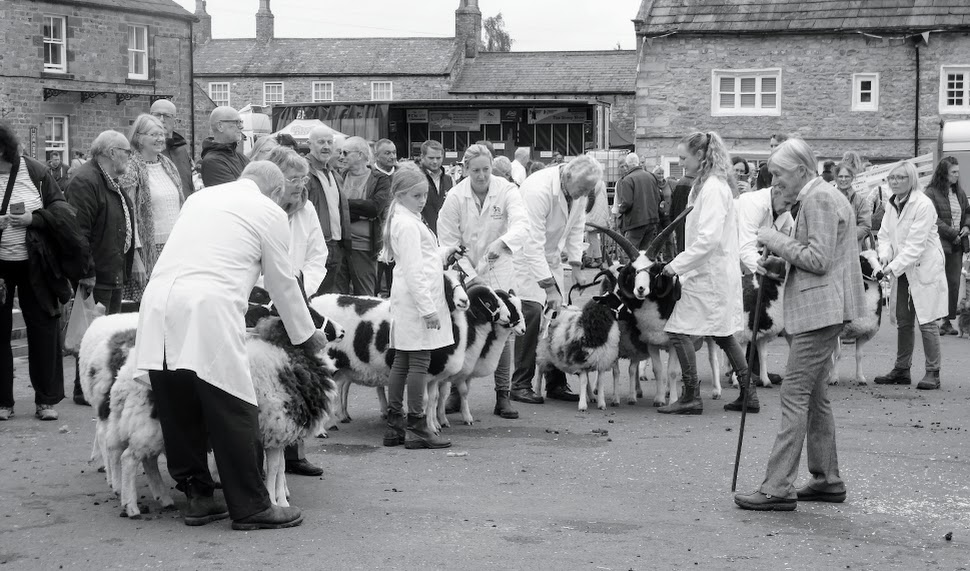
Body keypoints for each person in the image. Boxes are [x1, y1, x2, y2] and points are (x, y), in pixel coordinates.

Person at [135, 161, 327, 530]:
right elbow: (282, 281)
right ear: (275, 191)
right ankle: (251, 506)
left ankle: (199, 498)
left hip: (159, 301)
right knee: (234, 406)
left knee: (177, 403)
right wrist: (305, 334)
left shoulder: (200, 198)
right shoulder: (269, 211)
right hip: (210, 305)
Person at [734, 137, 866, 511]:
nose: (774, 181)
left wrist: (774, 240)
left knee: (793, 394)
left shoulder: (819, 198)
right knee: (816, 396)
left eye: (779, 174)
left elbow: (819, 260)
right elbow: (820, 257)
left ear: (801, 170)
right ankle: (827, 480)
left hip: (819, 311)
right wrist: (779, 265)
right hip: (824, 307)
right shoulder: (822, 195)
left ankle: (777, 487)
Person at [657, 131, 748, 416]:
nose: (680, 163)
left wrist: (675, 266)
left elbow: (707, 239)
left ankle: (691, 395)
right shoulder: (709, 185)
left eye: (683, 157)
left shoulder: (712, 188)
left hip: (709, 273)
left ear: (699, 155)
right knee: (722, 333)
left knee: (678, 329)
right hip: (712, 272)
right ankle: (749, 395)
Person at [437, 144, 530, 419]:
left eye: (486, 170)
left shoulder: (507, 190)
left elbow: (522, 224)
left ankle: (503, 395)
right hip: (465, 269)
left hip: (499, 265)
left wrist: (503, 243)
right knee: (464, 330)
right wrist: (471, 275)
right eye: (475, 170)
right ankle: (456, 393)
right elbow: (447, 241)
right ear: (465, 169)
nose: (481, 176)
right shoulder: (455, 197)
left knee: (503, 329)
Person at [0, 123, 78, 422]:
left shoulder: (36, 173)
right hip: (1, 264)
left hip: (36, 261)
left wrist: (34, 219)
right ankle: (2, 401)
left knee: (43, 328)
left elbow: (62, 212)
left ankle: (46, 400)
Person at [510, 155, 603, 404]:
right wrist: (550, 288)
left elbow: (577, 226)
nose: (584, 194)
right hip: (525, 258)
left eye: (588, 190)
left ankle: (555, 383)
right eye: (582, 188)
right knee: (531, 314)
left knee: (556, 318)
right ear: (568, 176)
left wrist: (576, 264)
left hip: (550, 258)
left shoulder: (577, 190)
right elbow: (531, 244)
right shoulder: (537, 190)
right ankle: (520, 383)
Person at [264, 147, 329, 477]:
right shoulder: (262, 209)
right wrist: (270, 291)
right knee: (266, 382)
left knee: (296, 376)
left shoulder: (307, 211)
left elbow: (318, 254)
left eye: (304, 178)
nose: (300, 185)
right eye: (293, 179)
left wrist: (303, 286)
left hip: (299, 299)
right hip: (262, 302)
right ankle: (260, 456)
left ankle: (294, 451)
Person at [380, 163, 454, 450]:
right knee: (419, 361)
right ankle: (417, 425)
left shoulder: (404, 218)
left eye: (424, 194)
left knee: (402, 359)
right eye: (416, 195)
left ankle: (395, 424)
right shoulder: (408, 224)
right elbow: (414, 269)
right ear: (400, 195)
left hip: (408, 298)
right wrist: (428, 309)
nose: (423, 200)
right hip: (416, 300)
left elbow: (423, 258)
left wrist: (445, 252)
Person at [66, 131, 136, 402]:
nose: (129, 157)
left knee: (106, 335)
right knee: (92, 335)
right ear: (111, 152)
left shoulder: (108, 180)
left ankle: (98, 386)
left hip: (111, 268)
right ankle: (84, 389)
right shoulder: (86, 181)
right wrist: (87, 272)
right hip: (97, 272)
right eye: (127, 152)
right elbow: (78, 232)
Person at [873, 161, 948, 390]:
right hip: (903, 268)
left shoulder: (923, 204)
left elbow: (915, 247)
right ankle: (902, 369)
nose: (895, 182)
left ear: (911, 179)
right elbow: (884, 235)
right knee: (903, 321)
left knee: (927, 320)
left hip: (923, 267)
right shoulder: (892, 204)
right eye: (892, 178)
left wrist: (890, 267)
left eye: (900, 178)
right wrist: (884, 256)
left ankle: (933, 372)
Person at [118, 114, 185, 304]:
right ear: (139, 138)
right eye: (154, 134)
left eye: (161, 134)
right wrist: (135, 257)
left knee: (173, 305)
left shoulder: (168, 165)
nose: (160, 138)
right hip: (149, 251)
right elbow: (128, 216)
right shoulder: (131, 169)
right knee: (151, 307)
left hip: (174, 248)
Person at [334, 136, 390, 296]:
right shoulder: (339, 176)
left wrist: (345, 205)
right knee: (339, 297)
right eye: (340, 153)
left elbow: (374, 208)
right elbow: (334, 206)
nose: (341, 157)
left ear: (360, 154)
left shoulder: (380, 179)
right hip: (340, 245)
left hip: (364, 246)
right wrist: (360, 211)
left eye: (345, 153)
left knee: (365, 297)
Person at [923, 156, 968, 336]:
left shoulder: (959, 193)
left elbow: (968, 212)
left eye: (958, 172)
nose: (957, 175)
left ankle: (947, 321)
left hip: (957, 245)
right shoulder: (930, 193)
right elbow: (932, 218)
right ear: (944, 173)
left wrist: (966, 226)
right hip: (938, 244)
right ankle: (932, 321)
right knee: (936, 283)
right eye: (953, 172)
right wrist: (952, 233)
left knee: (953, 283)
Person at [304, 126, 350, 295]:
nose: (326, 146)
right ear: (309, 144)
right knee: (313, 296)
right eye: (321, 142)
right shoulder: (304, 172)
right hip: (316, 244)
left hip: (336, 244)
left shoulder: (334, 173)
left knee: (326, 298)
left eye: (330, 142)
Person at [615, 153, 665, 252]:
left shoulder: (627, 180)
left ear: (627, 165)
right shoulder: (651, 176)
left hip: (635, 222)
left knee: (630, 252)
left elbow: (627, 202)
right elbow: (659, 198)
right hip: (651, 220)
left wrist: (620, 210)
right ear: (638, 163)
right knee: (644, 253)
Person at [151, 99, 195, 198]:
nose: (161, 119)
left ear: (175, 122)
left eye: (167, 116)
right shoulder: (145, 150)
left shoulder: (182, 150)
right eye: (157, 115)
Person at [199, 106, 249, 188]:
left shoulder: (241, 157)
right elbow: (238, 192)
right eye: (236, 122)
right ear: (220, 126)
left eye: (241, 122)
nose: (241, 126)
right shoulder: (212, 162)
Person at [417, 140, 453, 233]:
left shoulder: (449, 180)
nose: (435, 161)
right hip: (422, 234)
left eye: (438, 158)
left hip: (445, 234)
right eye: (431, 158)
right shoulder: (415, 178)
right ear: (422, 157)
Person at [833, 163, 873, 247]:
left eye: (847, 176)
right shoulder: (828, 198)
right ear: (835, 178)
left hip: (852, 247)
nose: (843, 179)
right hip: (831, 247)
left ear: (852, 178)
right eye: (840, 176)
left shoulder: (860, 200)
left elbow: (865, 225)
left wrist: (845, 236)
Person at [584, 180, 610, 268]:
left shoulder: (591, 181)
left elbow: (591, 198)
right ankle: (588, 258)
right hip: (599, 213)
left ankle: (598, 259)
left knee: (592, 236)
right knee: (590, 236)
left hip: (593, 214)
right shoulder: (601, 182)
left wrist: (586, 211)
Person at [670, 172, 694, 254]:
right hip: (690, 221)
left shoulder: (681, 182)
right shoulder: (698, 183)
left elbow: (673, 203)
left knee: (681, 247)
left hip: (679, 219)